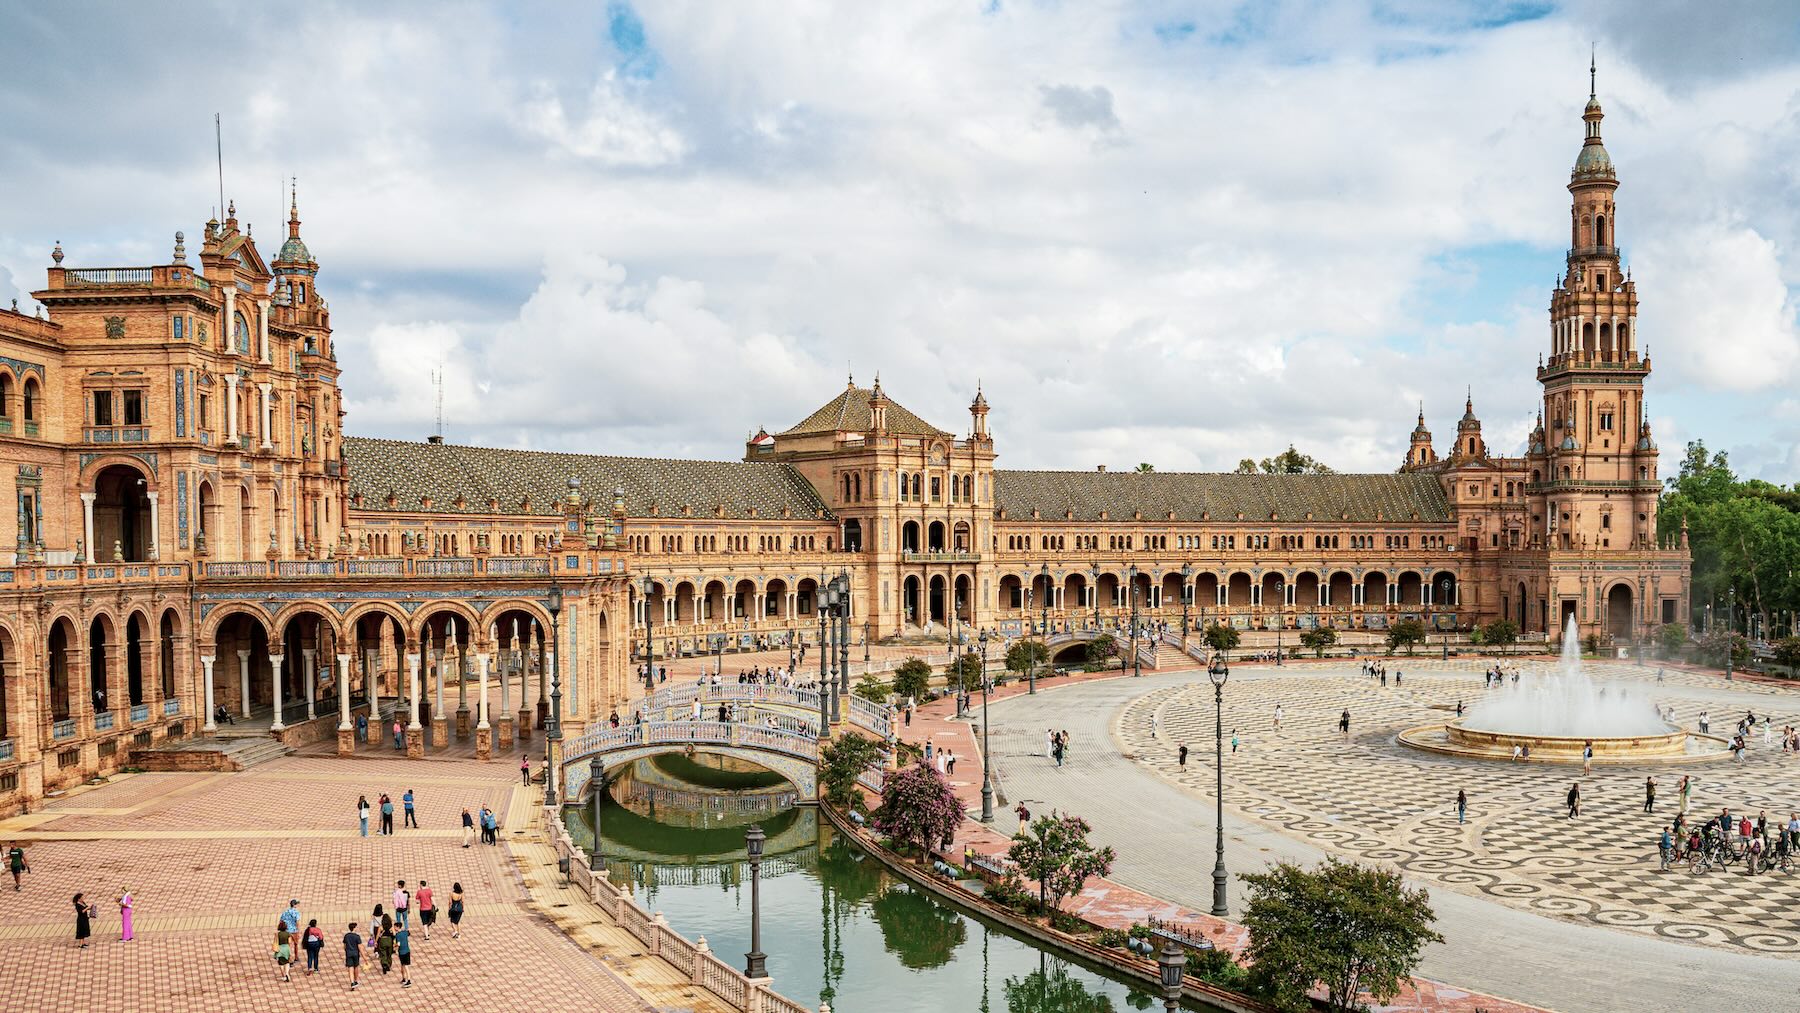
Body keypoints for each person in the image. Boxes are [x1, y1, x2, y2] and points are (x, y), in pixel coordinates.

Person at [395, 920, 414, 987]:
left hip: (402, 952)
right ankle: (403, 978)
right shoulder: (405, 932)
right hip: (407, 950)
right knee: (403, 966)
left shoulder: (397, 935)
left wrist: (394, 946)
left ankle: (408, 980)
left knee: (405, 966)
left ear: (397, 927)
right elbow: (409, 933)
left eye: (395, 927)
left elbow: (398, 944)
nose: (394, 928)